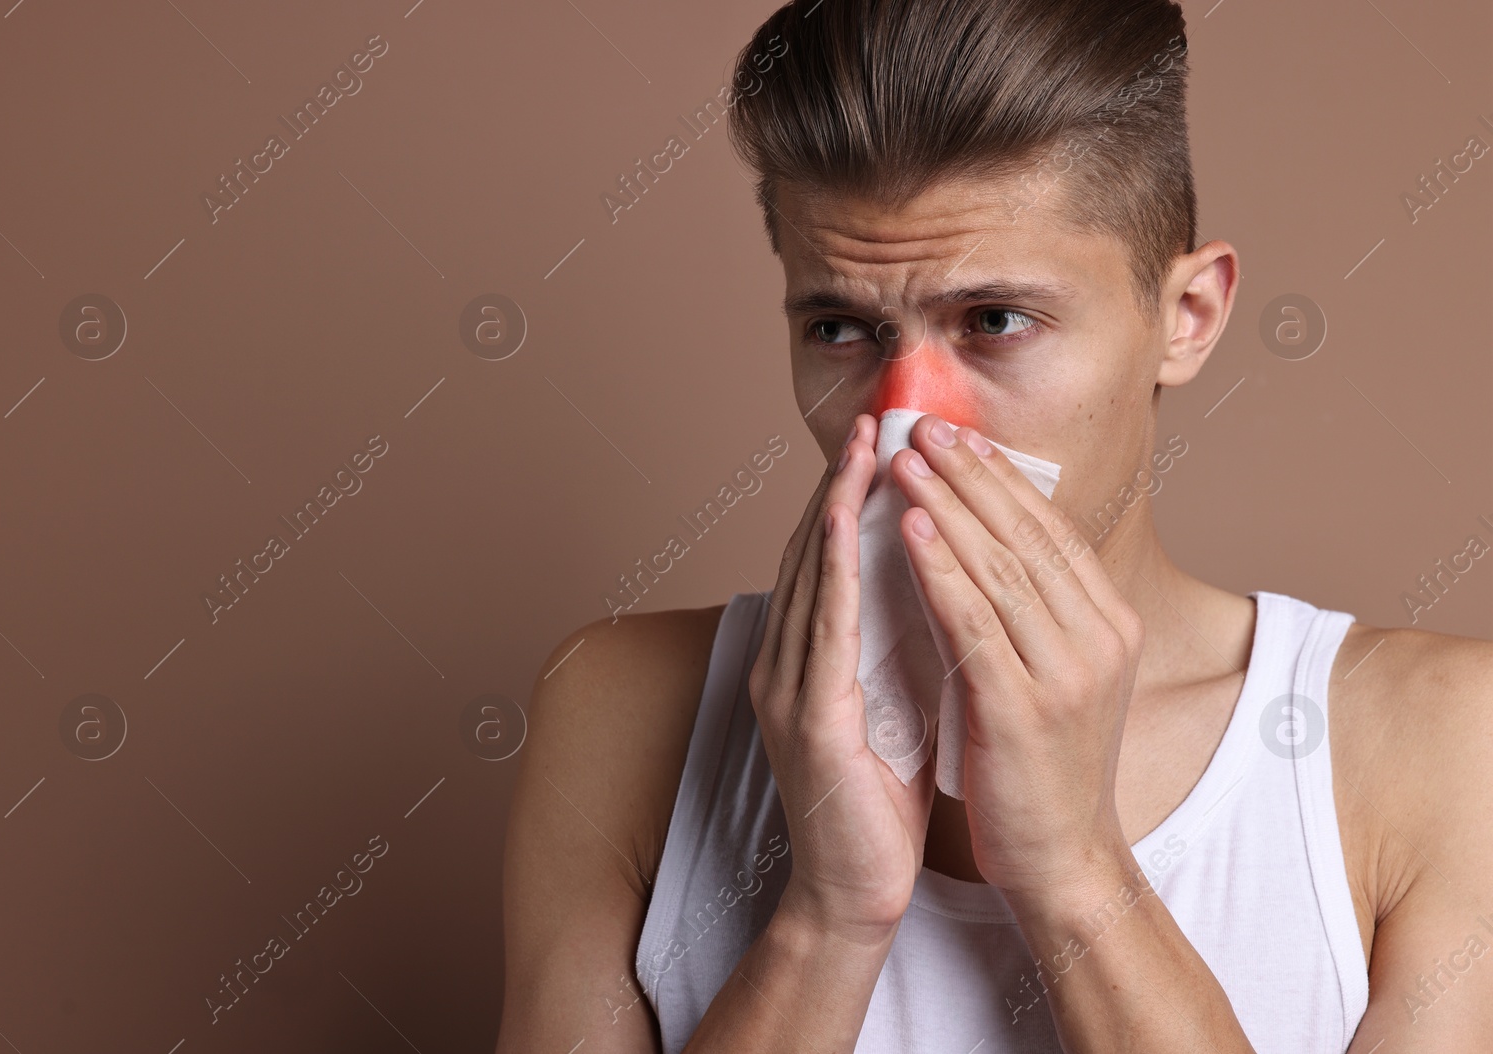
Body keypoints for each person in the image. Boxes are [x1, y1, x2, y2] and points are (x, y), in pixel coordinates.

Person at [495, 1, 1493, 1051]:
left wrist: (1075, 872)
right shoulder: (619, 715)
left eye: (994, 321)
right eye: (842, 329)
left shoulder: (1430, 741)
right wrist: (828, 919)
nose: (905, 413)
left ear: (1185, 318)